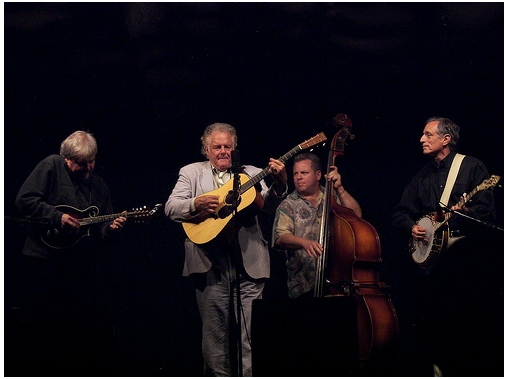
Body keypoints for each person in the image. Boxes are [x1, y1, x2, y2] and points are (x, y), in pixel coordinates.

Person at [164, 122, 288, 376]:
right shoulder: (191, 173)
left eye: (228, 147)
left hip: (249, 264)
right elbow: (171, 208)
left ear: (235, 148)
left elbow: (269, 206)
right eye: (217, 147)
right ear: (206, 150)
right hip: (209, 263)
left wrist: (280, 185)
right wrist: (195, 203)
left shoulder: (252, 173)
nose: (223, 151)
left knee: (251, 337)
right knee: (214, 340)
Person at [391, 117, 500, 376]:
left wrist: (465, 211)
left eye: (428, 134)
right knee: (433, 323)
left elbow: (486, 214)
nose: (422, 139)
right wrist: (411, 227)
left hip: (465, 265)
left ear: (446, 139)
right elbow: (399, 213)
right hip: (431, 270)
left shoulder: (472, 167)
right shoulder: (422, 176)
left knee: (465, 324)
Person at [15, 130, 126, 376]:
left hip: (77, 266)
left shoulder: (98, 185)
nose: (88, 168)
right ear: (66, 159)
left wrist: (113, 229)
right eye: (81, 164)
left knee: (75, 328)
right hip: (43, 261)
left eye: (92, 162)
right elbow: (25, 199)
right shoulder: (51, 166)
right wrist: (57, 216)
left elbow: (101, 232)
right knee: (44, 326)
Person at [272, 152, 362, 299]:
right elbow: (280, 237)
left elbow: (356, 216)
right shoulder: (288, 204)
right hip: (303, 284)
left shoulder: (331, 197)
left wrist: (340, 189)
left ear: (318, 175)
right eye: (295, 173)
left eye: (304, 173)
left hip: (336, 280)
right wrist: (304, 243)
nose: (298, 177)